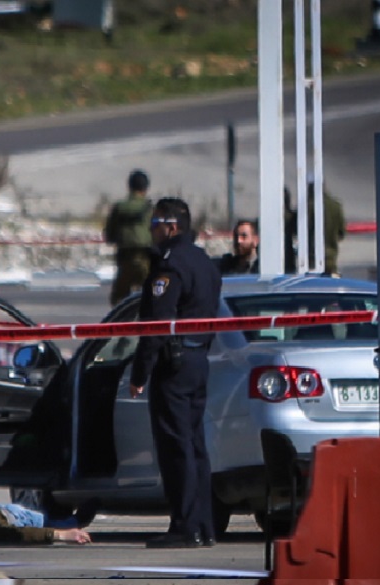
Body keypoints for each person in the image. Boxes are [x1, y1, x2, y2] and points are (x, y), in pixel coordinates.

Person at [129, 198, 222, 548]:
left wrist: (140, 373)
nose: (152, 232)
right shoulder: (204, 263)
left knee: (176, 447)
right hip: (198, 361)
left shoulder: (170, 265)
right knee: (196, 446)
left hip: (175, 363)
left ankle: (185, 525)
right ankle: (203, 526)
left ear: (171, 227)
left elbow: (156, 325)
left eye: (155, 224)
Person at [104, 169, 153, 306]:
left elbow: (110, 235)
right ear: (145, 188)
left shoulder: (119, 207)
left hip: (125, 257)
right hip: (146, 258)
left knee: (118, 300)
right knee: (153, 297)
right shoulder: (149, 208)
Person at [307, 179, 346, 276]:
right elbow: (341, 233)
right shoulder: (336, 206)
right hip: (331, 256)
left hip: (313, 256)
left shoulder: (308, 207)